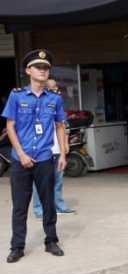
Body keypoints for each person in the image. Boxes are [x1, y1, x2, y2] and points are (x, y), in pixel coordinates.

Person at [4, 49, 67, 263]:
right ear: (28, 70)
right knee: (20, 205)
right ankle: (17, 247)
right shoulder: (17, 96)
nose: (43, 70)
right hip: (21, 159)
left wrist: (63, 154)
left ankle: (51, 241)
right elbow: (10, 126)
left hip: (44, 158)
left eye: (46, 68)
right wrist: (21, 154)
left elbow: (60, 126)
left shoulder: (54, 99)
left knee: (48, 202)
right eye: (38, 67)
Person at [31, 78, 73, 218]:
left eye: (56, 89)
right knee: (40, 183)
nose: (55, 91)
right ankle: (39, 210)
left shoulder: (57, 106)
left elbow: (64, 128)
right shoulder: (37, 109)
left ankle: (59, 206)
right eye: (51, 89)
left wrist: (65, 145)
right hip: (42, 152)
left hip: (57, 151)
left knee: (58, 181)